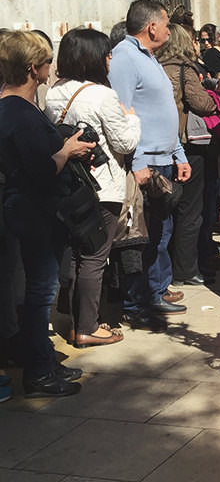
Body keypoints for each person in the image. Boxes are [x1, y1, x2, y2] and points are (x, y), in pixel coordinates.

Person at [0, 31, 95, 396]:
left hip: (27, 209)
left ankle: (43, 361)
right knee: (41, 292)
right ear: (32, 68)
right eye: (45, 61)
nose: (50, 66)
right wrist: (67, 151)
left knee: (40, 290)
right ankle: (39, 373)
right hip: (34, 211)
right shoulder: (19, 112)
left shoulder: (13, 107)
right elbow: (39, 170)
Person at [44, 28, 141, 348]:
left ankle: (72, 320)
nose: (110, 59)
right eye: (106, 54)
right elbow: (125, 142)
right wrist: (133, 118)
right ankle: (87, 326)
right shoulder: (103, 96)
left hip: (68, 184)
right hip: (103, 186)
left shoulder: (56, 92)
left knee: (74, 254)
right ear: (93, 59)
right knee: (96, 257)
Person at [109, 0, 191, 328]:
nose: (169, 31)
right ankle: (135, 302)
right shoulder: (126, 58)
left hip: (165, 157)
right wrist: (138, 160)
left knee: (161, 232)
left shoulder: (150, 57)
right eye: (167, 24)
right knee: (141, 238)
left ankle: (155, 291)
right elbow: (123, 112)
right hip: (146, 163)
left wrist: (179, 154)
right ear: (151, 26)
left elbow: (163, 110)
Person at [157, 24, 218, 287]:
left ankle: (169, 267)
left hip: (160, 146)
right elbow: (201, 103)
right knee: (191, 211)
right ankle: (186, 269)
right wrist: (216, 98)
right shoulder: (184, 69)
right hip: (187, 147)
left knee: (167, 210)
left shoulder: (154, 66)